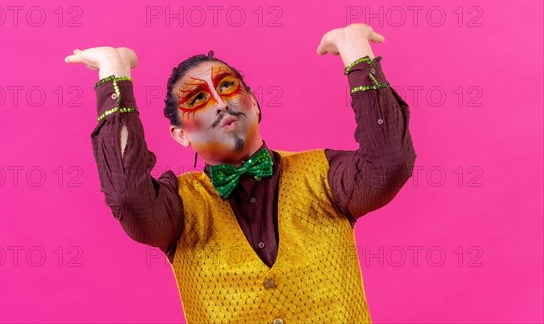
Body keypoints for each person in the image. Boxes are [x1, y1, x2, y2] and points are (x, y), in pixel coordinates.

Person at [64, 23, 417, 324]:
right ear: (181, 135)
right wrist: (114, 73)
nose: (221, 102)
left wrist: (354, 50)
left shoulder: (325, 175)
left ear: (256, 104)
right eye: (199, 99)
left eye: (229, 87)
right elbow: (126, 194)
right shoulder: (177, 208)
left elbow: (390, 163)